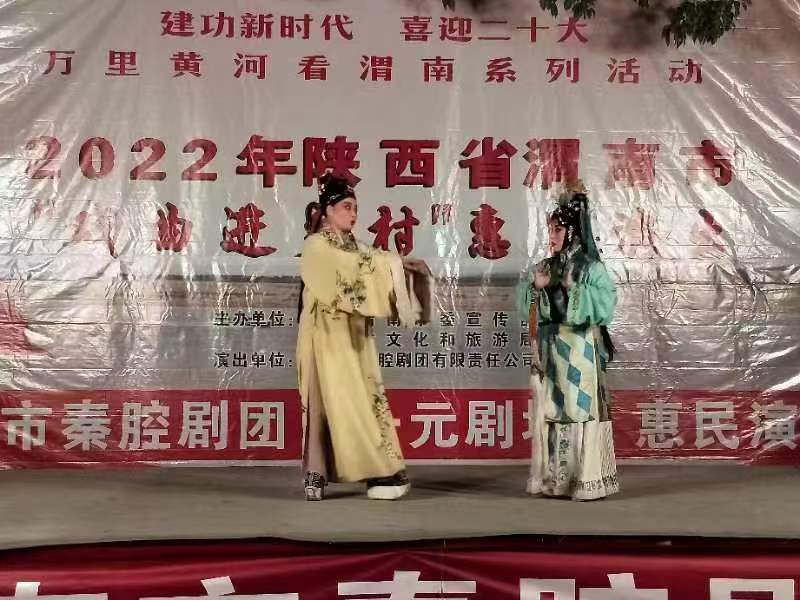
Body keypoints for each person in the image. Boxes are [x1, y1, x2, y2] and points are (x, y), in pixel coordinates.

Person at [296, 174, 432, 501]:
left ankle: (375, 467)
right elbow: (357, 266)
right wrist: (393, 264)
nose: (353, 214)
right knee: (324, 403)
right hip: (323, 336)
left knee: (362, 399)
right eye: (346, 207)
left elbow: (372, 262)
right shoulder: (316, 245)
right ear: (327, 210)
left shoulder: (356, 247)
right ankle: (317, 471)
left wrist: (404, 267)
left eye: (355, 208)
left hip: (354, 335)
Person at [522, 182, 620, 501]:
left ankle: (585, 480)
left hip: (580, 351)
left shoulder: (591, 268)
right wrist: (537, 289)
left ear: (573, 231)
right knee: (553, 411)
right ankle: (556, 479)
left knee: (579, 411)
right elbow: (526, 307)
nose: (551, 236)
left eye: (558, 229)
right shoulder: (545, 267)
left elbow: (606, 304)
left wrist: (573, 289)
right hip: (552, 350)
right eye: (550, 229)